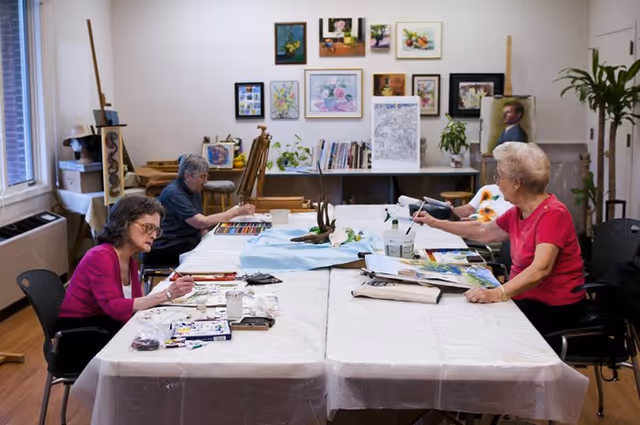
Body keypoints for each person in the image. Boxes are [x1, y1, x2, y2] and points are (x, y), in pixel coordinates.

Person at [413, 142, 586, 350]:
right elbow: (482, 231)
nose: (497, 183)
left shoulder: (553, 214)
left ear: (517, 183)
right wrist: (435, 222)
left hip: (553, 310)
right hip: (525, 300)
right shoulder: (519, 211)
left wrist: (497, 293)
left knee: (475, 329)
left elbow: (540, 269)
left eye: (500, 176)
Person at [56, 195, 195, 364]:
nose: (153, 235)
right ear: (124, 223)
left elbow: (133, 305)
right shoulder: (100, 256)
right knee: (162, 352)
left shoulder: (128, 259)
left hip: (103, 328)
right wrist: (167, 294)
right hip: (79, 339)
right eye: (148, 227)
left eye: (156, 230)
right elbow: (115, 307)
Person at [147, 154, 255, 266]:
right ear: (188, 176)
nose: (205, 181)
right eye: (202, 177)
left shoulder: (194, 190)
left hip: (184, 239)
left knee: (222, 244)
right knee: (220, 255)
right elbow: (201, 222)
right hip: (166, 246)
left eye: (206, 177)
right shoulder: (174, 194)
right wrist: (235, 212)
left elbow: (201, 225)